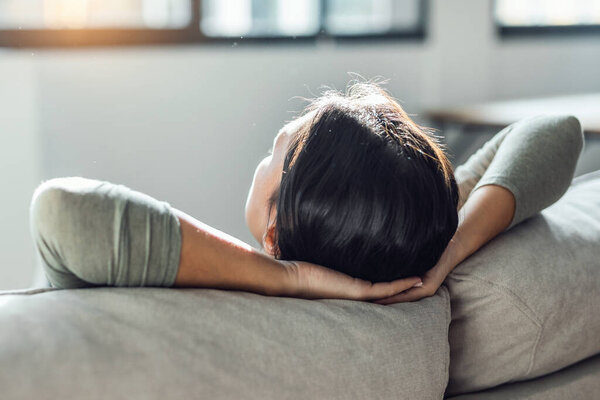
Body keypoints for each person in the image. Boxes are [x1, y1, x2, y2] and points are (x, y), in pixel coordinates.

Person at [28, 83, 584, 305]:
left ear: (274, 234)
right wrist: (448, 252)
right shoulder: (403, 245)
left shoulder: (226, 292)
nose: (267, 148)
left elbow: (62, 211)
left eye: (275, 152)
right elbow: (557, 131)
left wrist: (286, 276)